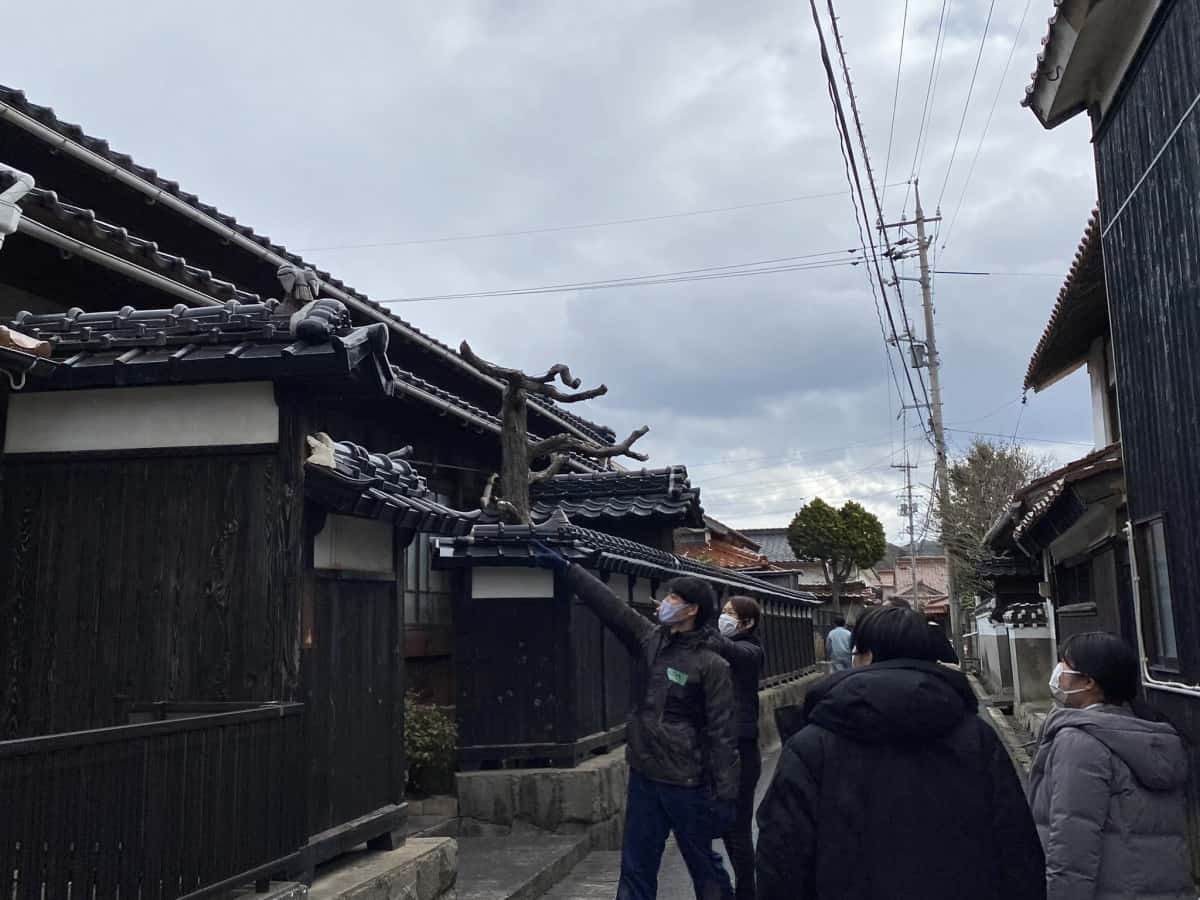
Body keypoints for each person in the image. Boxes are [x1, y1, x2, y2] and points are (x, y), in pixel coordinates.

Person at [756, 605, 1045, 900]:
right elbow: (1017, 847)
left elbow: (781, 860)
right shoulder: (976, 736)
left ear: (866, 655)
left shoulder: (812, 745)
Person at [531, 541, 738, 900]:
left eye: (673, 598)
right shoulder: (651, 640)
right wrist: (568, 569)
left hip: (687, 781)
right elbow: (611, 607)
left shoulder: (712, 664)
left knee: (703, 864)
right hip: (644, 774)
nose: (665, 603)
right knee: (636, 867)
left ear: (691, 610)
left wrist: (725, 795)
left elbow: (722, 733)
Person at [1028, 632, 1192, 900]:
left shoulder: (1080, 742)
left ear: (1089, 682)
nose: (1058, 673)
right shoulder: (1153, 736)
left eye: (1064, 666)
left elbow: (1072, 843)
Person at [706, 596, 766, 900]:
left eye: (730, 614)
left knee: (737, 829)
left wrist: (697, 623)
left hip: (741, 751)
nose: (723, 617)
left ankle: (747, 892)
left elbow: (727, 649)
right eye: (723, 612)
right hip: (715, 748)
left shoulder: (751, 650)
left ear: (748, 622)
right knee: (716, 826)